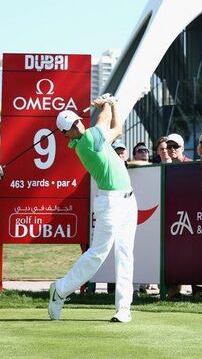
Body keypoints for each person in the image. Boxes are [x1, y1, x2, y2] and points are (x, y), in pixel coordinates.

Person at [49, 96, 137, 323]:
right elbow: (105, 119)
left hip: (128, 200)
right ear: (66, 134)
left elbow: (117, 128)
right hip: (110, 203)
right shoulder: (88, 140)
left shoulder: (93, 138)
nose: (78, 125)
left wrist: (114, 103)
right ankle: (60, 289)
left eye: (78, 121)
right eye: (72, 126)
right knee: (97, 254)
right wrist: (105, 104)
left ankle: (124, 309)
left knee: (125, 254)